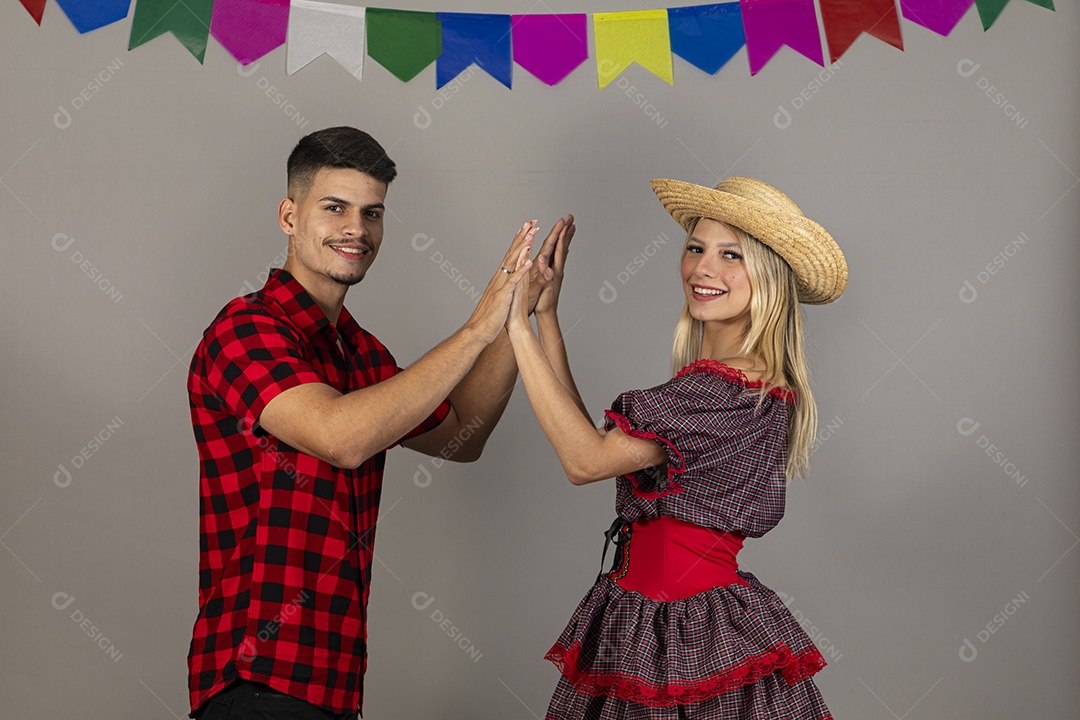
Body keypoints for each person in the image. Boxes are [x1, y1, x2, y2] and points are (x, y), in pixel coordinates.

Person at [185, 126, 571, 719]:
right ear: (290, 215)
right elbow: (341, 437)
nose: (356, 230)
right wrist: (475, 327)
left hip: (334, 682)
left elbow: (463, 433)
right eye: (334, 208)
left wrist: (517, 313)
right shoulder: (244, 330)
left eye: (373, 213)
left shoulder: (360, 353)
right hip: (256, 677)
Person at [503, 176, 847, 719]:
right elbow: (594, 443)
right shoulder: (745, 385)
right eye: (695, 248)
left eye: (731, 255)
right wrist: (544, 316)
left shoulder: (723, 390)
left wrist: (513, 325)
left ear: (769, 277)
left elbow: (582, 462)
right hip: (655, 616)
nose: (704, 268)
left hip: (682, 625)